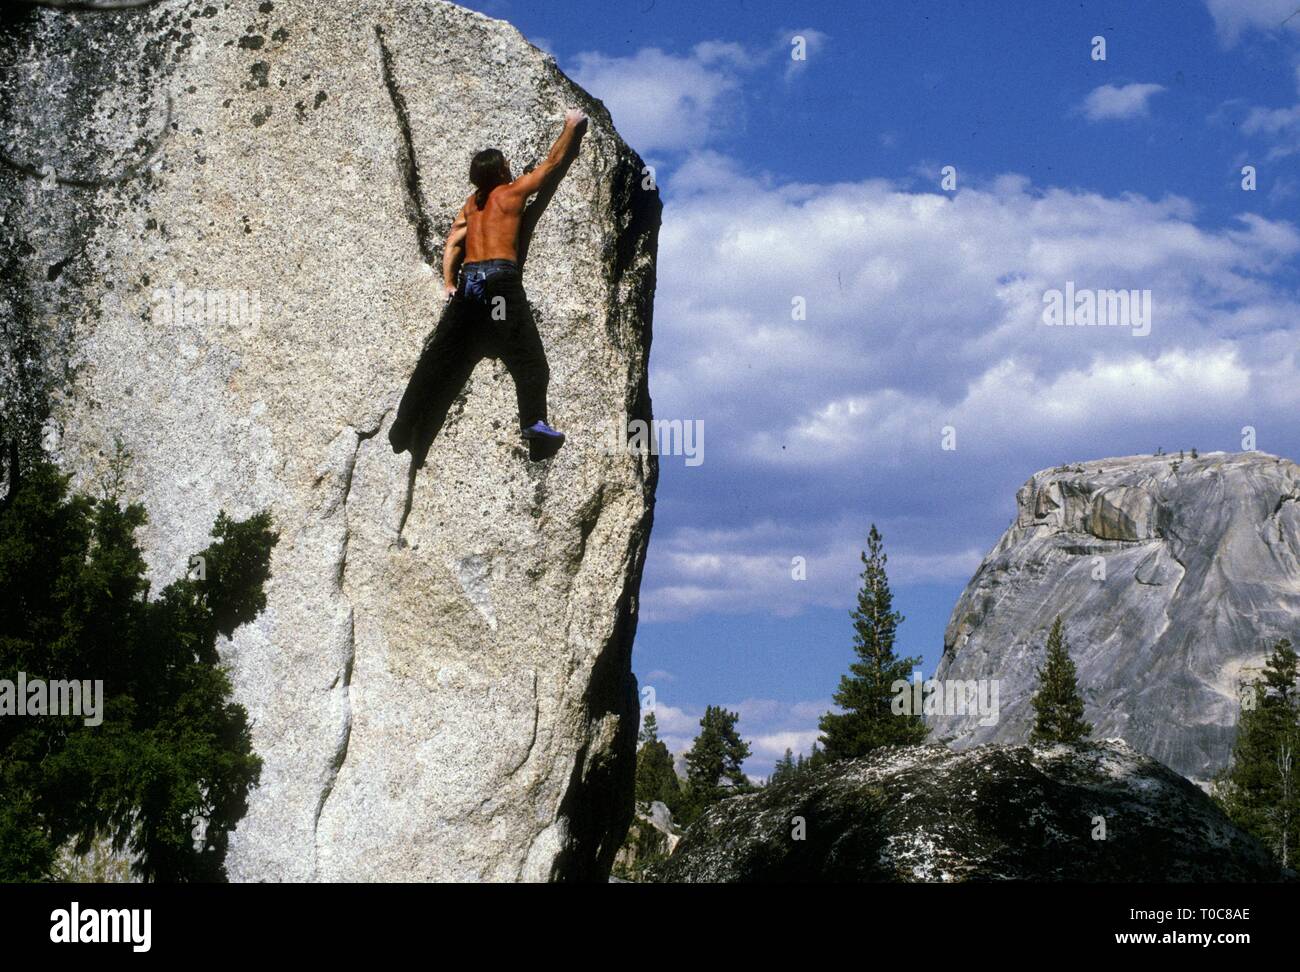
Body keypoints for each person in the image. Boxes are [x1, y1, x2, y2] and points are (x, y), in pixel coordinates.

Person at [388, 108, 589, 460]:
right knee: (530, 362)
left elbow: (453, 242)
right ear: (500, 171)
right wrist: (571, 126)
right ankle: (534, 426)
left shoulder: (471, 204)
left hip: (469, 286)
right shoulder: (511, 194)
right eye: (506, 165)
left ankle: (403, 424)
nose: (511, 168)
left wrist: (449, 282)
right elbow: (552, 165)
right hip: (500, 285)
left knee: (437, 358)